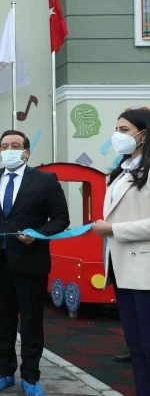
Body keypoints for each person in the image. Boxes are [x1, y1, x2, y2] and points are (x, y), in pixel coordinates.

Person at [0, 129, 69, 396]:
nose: (9, 150)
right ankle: (3, 372)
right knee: (1, 321)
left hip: (31, 263)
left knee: (30, 322)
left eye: (15, 145)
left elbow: (61, 219)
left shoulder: (45, 180)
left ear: (26, 152)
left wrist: (38, 234)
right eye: (4, 145)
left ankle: (30, 376)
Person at [92, 108, 150, 396]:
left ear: (144, 134)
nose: (118, 135)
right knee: (136, 347)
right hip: (122, 269)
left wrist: (113, 229)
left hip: (144, 272)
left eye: (124, 130)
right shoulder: (122, 169)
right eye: (116, 129)